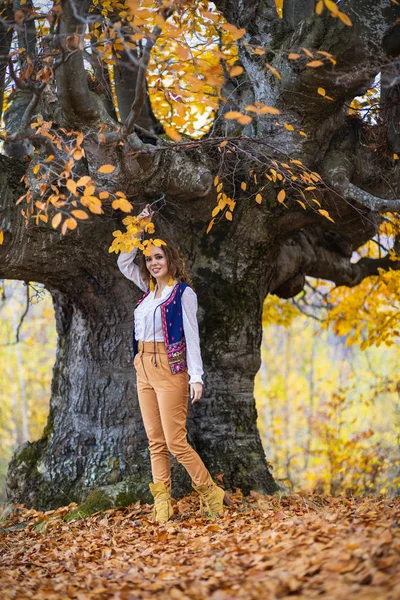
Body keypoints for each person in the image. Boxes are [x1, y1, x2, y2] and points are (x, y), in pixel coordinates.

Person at [117, 205, 229, 523]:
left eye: (159, 258)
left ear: (170, 260)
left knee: (175, 441)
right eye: (149, 258)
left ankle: (210, 493)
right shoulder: (148, 292)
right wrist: (139, 227)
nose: (153, 263)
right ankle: (162, 505)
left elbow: (192, 338)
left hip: (171, 367)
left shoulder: (183, 294)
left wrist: (197, 376)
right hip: (143, 366)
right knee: (155, 441)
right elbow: (123, 260)